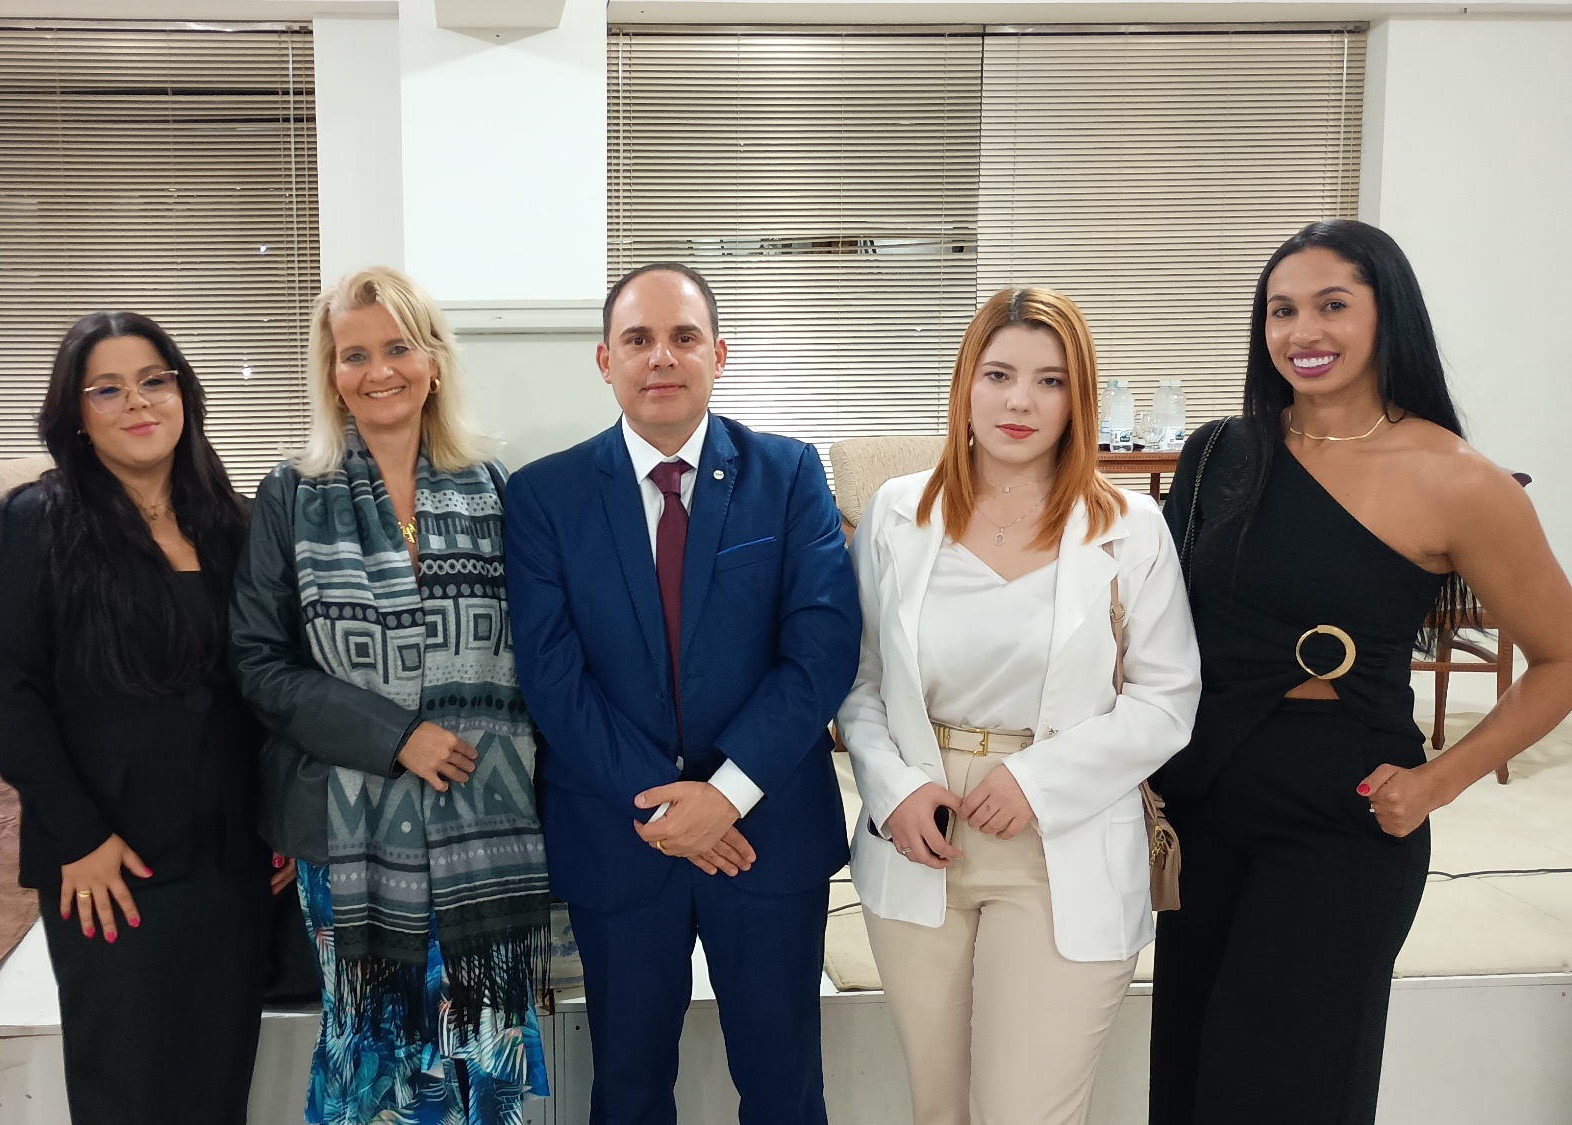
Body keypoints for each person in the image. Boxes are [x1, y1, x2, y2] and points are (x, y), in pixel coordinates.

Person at [1148, 220, 1572, 1124]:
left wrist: (1439, 781)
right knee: (1189, 1082)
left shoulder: (1459, 478)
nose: (1303, 331)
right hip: (1202, 800)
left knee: (1282, 1091)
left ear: (1388, 315)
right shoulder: (1219, 452)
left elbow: (1562, 658)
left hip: (1343, 814)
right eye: (1282, 311)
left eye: (1333, 305)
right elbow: (1161, 630)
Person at [504, 262, 860, 1125]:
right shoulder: (544, 495)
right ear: (605, 360)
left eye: (683, 337)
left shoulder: (788, 473)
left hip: (765, 835)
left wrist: (725, 794)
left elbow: (821, 650)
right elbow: (553, 677)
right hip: (620, 838)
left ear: (719, 354)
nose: (661, 356)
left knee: (784, 1092)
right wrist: (671, 808)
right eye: (638, 339)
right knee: (627, 1094)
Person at [836, 287, 1201, 1125]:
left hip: (1061, 833)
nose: (1020, 401)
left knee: (1025, 1112)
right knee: (939, 1108)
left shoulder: (1131, 525)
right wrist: (892, 789)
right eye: (999, 374)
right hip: (922, 831)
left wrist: (1037, 781)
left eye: (1050, 380)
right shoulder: (897, 512)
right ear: (966, 384)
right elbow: (858, 680)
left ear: (1079, 398)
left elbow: (1167, 699)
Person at [230, 266, 552, 1125]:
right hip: (347, 832)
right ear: (331, 374)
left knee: (483, 1046)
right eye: (354, 354)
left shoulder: (495, 487)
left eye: (398, 347)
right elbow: (258, 662)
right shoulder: (291, 493)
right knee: (374, 1053)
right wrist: (395, 735)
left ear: (433, 361)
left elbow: (539, 650)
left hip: (487, 822)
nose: (379, 371)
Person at [0, 311, 285, 1123]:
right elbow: (10, 693)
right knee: (128, 1089)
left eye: (153, 380)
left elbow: (270, 681)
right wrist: (76, 837)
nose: (137, 401)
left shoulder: (237, 521)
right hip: (108, 859)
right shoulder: (34, 521)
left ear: (184, 393)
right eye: (106, 389)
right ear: (76, 414)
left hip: (233, 855)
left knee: (217, 1083)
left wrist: (282, 813)